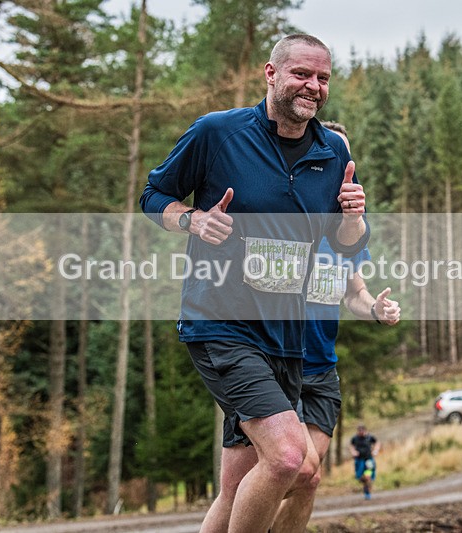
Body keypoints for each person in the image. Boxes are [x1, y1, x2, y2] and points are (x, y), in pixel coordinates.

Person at [139, 34, 370, 533]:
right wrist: (192, 221)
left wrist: (353, 216)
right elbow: (154, 195)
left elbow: (345, 247)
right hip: (221, 324)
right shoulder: (217, 132)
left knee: (261, 476)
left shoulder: (333, 152)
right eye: (301, 74)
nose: (313, 86)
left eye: (323, 78)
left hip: (288, 338)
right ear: (271, 74)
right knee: (289, 459)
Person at [271, 123, 401, 532]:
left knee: (309, 478)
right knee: (291, 467)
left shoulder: (350, 238)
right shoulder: (287, 221)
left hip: (322, 368)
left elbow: (353, 293)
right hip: (276, 363)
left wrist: (376, 309)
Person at [350, 424, 381, 499]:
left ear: (365, 430)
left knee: (368, 476)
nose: (361, 432)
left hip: (368, 459)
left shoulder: (370, 437)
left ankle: (368, 493)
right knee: (360, 477)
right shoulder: (355, 438)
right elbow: (351, 445)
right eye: (359, 431)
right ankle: (365, 486)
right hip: (359, 460)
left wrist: (376, 450)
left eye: (362, 430)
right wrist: (353, 452)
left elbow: (377, 443)